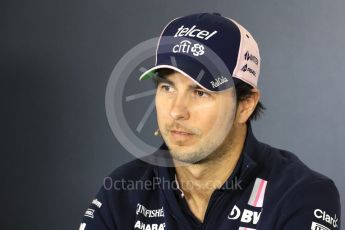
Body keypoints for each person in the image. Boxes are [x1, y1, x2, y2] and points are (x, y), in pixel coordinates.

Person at [80, 13, 341, 230]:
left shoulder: (301, 195)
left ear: (245, 105)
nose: (176, 112)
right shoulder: (122, 191)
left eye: (200, 92)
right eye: (167, 88)